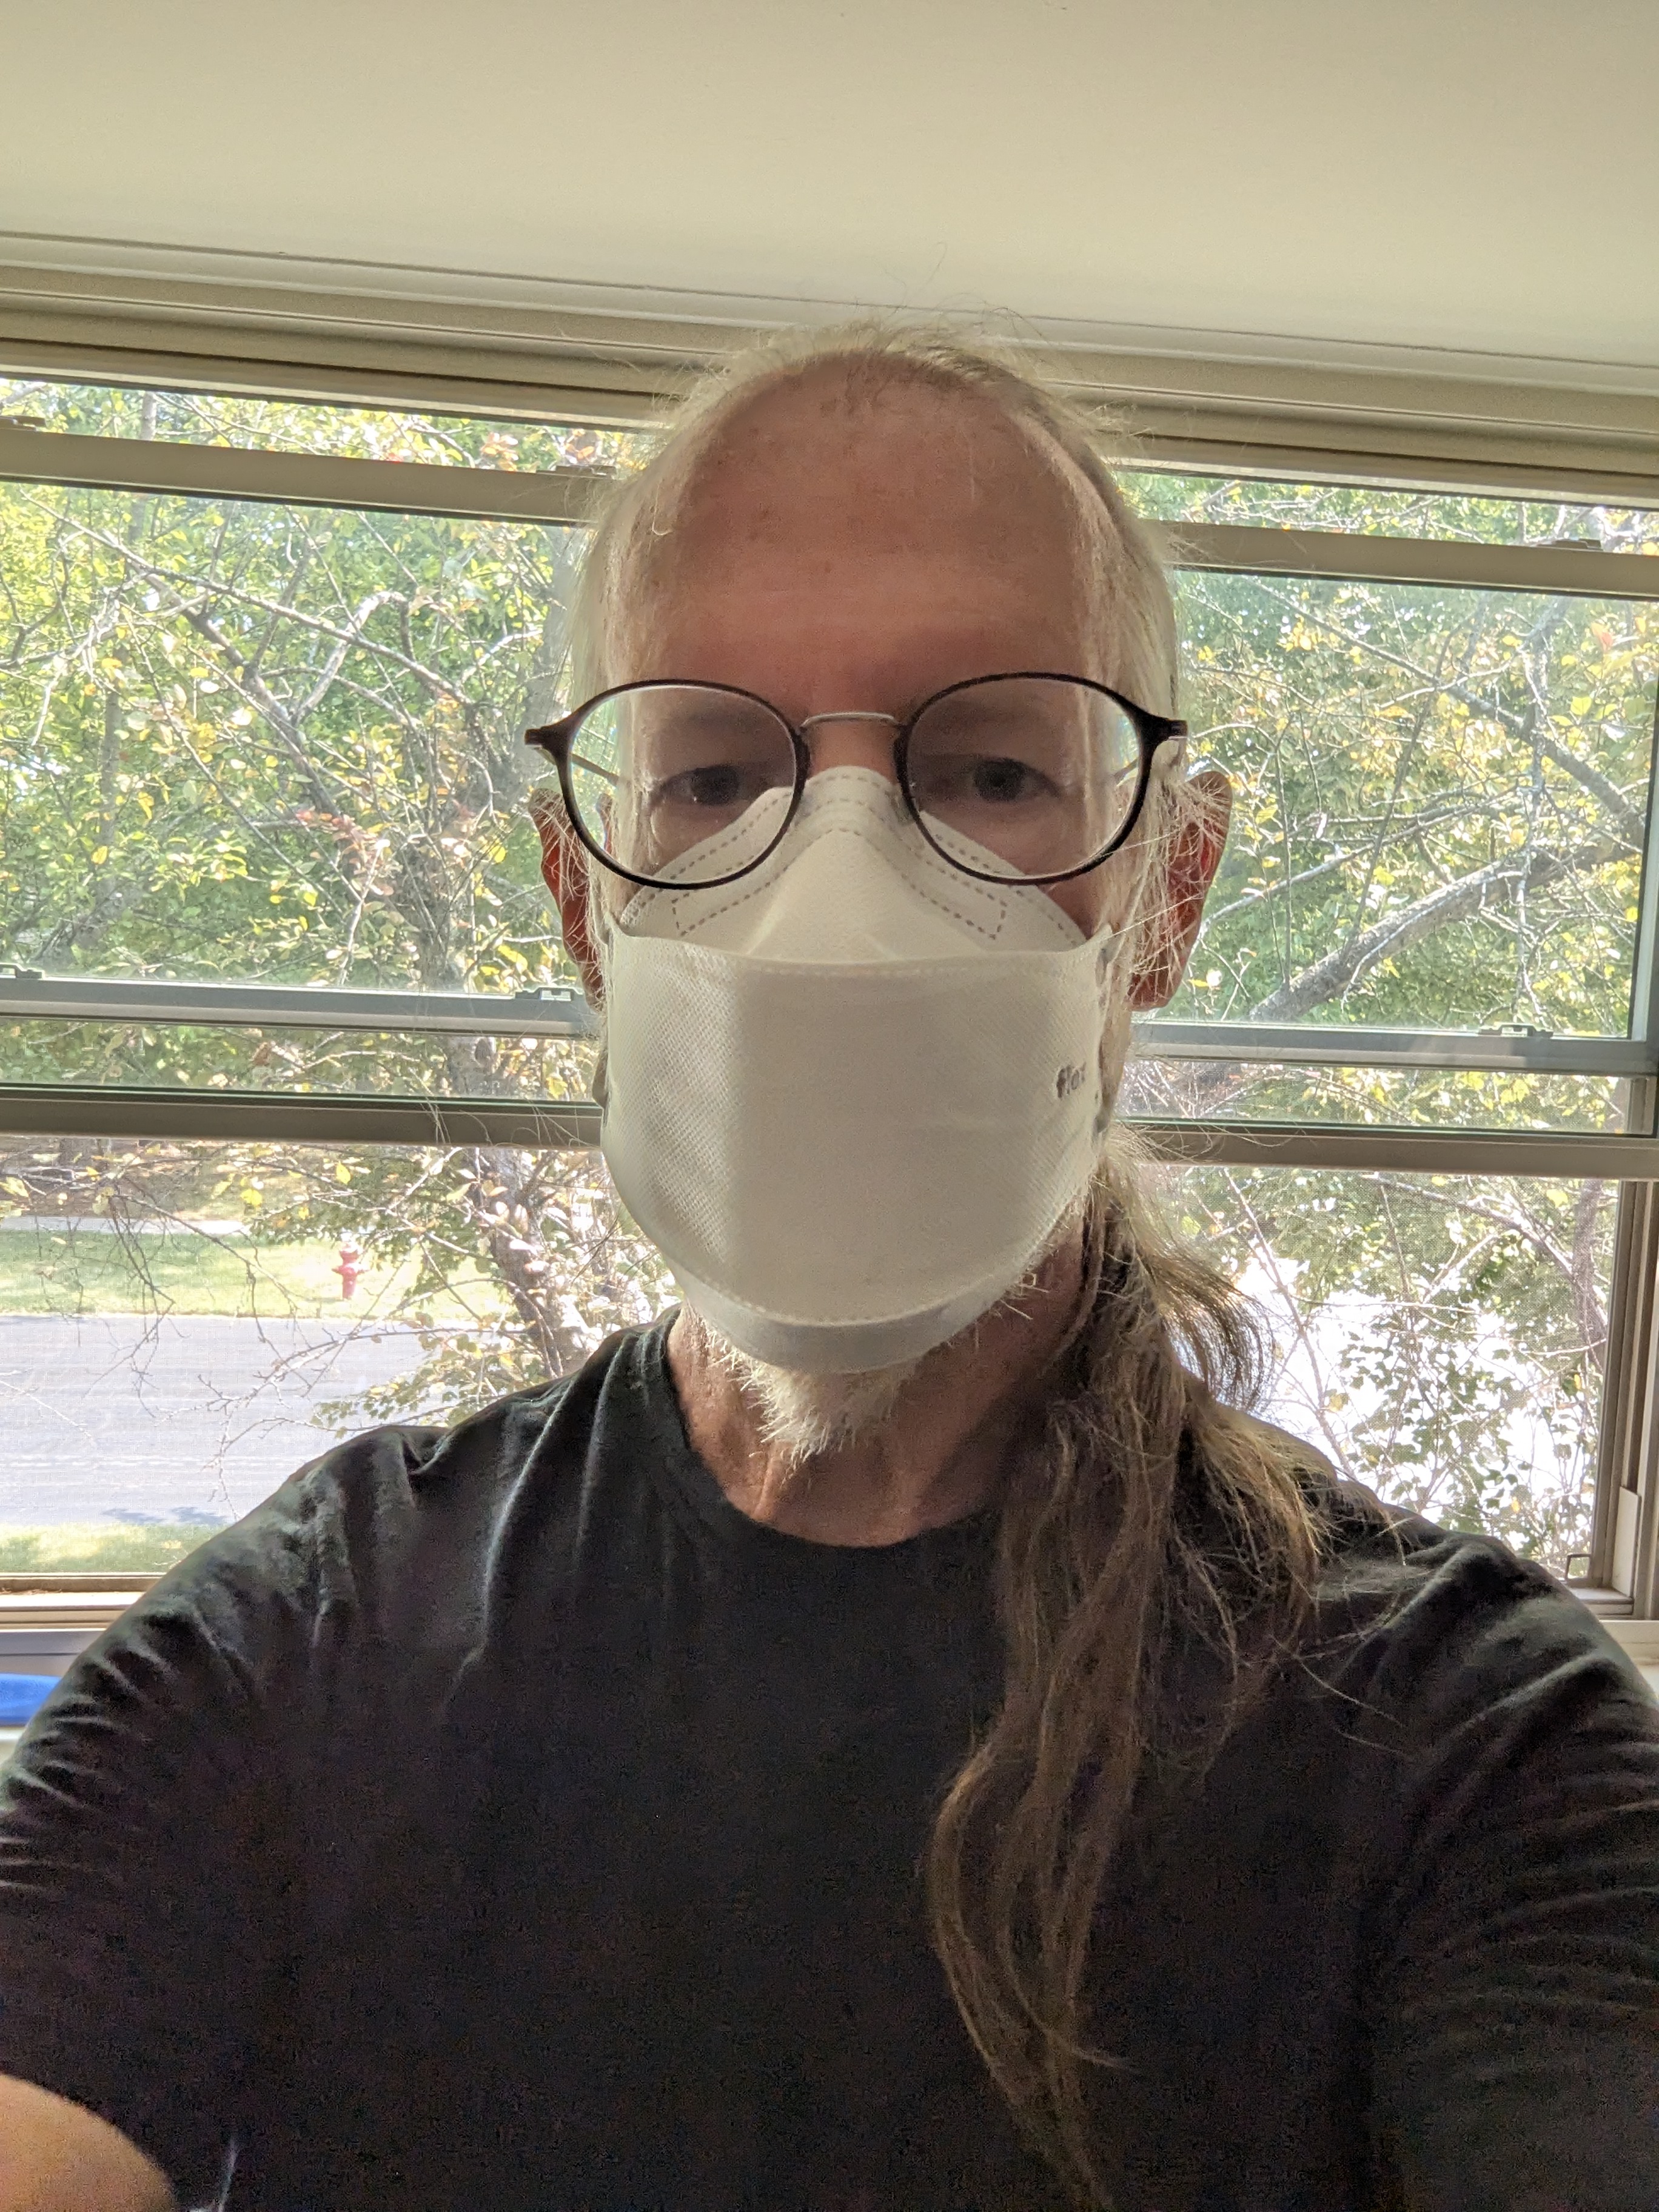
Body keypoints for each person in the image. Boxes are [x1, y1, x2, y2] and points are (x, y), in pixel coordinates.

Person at [0, 326, 1655, 2212]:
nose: (845, 893)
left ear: (1167, 893)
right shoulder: (306, 1649)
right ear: (582, 895)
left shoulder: (1469, 1749)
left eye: (993, 771)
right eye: (712, 776)